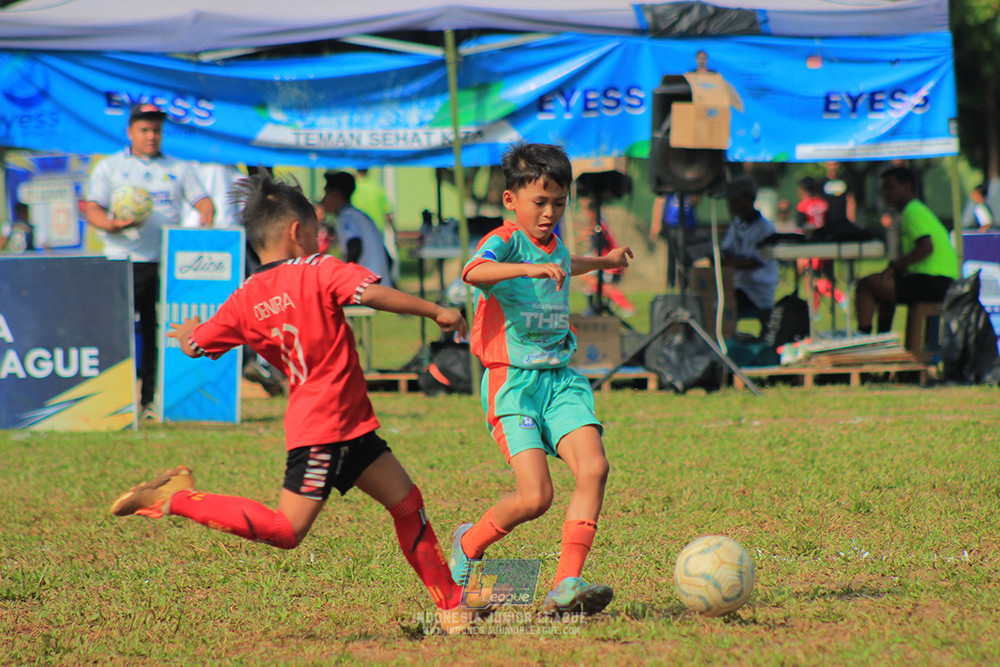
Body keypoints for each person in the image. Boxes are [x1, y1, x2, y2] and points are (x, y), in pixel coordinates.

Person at [109, 171, 488, 635]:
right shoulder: (319, 268)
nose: (318, 238)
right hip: (322, 432)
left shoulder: (244, 297)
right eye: (314, 231)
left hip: (349, 426)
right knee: (287, 531)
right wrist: (437, 311)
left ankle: (452, 608)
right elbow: (374, 294)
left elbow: (197, 344)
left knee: (407, 504)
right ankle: (177, 498)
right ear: (296, 232)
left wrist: (188, 336)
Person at [453, 141, 632, 617]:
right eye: (540, 202)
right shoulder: (505, 241)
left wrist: (606, 263)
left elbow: (568, 265)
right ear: (511, 199)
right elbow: (473, 271)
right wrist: (528, 266)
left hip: (561, 381)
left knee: (593, 468)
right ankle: (467, 544)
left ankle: (565, 583)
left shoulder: (556, 249)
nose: (550, 212)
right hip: (513, 384)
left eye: (559, 202)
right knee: (536, 496)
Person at [85, 103, 215, 420]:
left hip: (165, 263)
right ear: (130, 132)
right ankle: (115, 400)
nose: (151, 136)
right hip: (122, 260)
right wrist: (112, 224)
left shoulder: (179, 167)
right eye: (145, 130)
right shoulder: (110, 167)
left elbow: (205, 204)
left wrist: (203, 229)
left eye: (156, 130)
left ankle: (149, 400)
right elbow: (92, 209)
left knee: (158, 331)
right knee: (119, 332)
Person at [855, 166, 958, 334]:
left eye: (890, 187)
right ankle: (883, 337)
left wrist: (894, 266)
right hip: (938, 280)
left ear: (907, 187)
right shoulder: (916, 209)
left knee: (867, 285)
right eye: (883, 188)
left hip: (934, 281)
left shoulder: (912, 211)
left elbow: (926, 247)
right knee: (883, 287)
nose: (885, 193)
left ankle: (864, 334)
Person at [720, 176, 778, 332]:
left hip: (756, 290)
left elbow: (755, 262)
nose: (731, 206)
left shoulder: (765, 228)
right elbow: (727, 249)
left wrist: (729, 263)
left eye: (735, 200)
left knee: (721, 302)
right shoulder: (737, 224)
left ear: (748, 199)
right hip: (739, 285)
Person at [321, 171, 393, 288]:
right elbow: (388, 258)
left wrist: (345, 277)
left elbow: (354, 246)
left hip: (367, 290)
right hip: (379, 287)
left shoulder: (347, 216)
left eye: (326, 193)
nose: (323, 200)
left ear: (336, 194)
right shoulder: (359, 215)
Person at [352, 168, 400, 284]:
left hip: (357, 231)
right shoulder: (377, 188)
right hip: (376, 231)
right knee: (380, 262)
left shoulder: (354, 188)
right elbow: (387, 212)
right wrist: (394, 232)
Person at [650, 192, 700, 290]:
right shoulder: (670, 188)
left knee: (687, 258)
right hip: (672, 225)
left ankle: (685, 285)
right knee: (672, 257)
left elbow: (695, 201)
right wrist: (656, 224)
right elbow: (660, 200)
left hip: (688, 226)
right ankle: (671, 285)